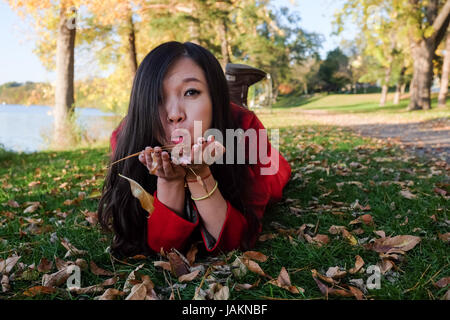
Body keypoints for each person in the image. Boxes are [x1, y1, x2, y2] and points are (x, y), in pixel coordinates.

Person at [99, 41, 291, 258]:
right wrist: (170, 182)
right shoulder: (126, 138)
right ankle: (230, 90)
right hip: (213, 118)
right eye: (157, 98)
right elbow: (163, 248)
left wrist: (200, 176)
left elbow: (238, 242)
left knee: (277, 175)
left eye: (191, 92)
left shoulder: (246, 128)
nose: (174, 114)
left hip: (229, 128)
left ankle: (231, 95)